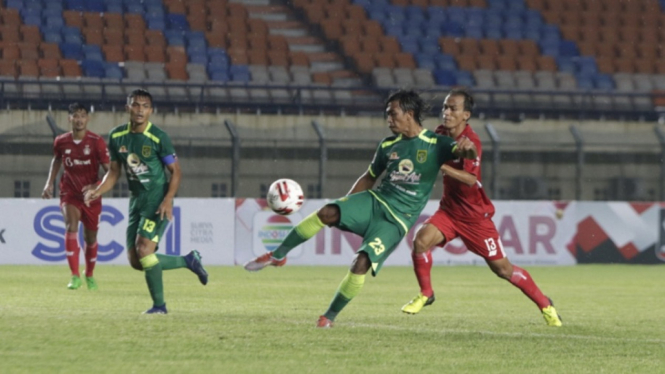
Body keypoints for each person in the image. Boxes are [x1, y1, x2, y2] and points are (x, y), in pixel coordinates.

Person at [244, 90, 478, 328]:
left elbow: (464, 152)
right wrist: (346, 205)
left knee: (361, 263)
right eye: (387, 114)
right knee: (327, 212)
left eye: (392, 114)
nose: (388, 119)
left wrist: (468, 150)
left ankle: (328, 317)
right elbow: (369, 177)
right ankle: (277, 256)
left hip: (396, 221)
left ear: (409, 114)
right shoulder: (388, 145)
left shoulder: (436, 143)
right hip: (375, 201)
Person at [400, 88, 562, 327]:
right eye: (445, 107)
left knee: (503, 270)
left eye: (452, 108)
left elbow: (469, 179)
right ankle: (426, 293)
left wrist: (439, 167)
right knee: (420, 241)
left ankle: (545, 305)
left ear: (465, 115)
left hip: (476, 218)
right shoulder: (441, 132)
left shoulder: (472, 141)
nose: (446, 112)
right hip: (449, 212)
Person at [83, 89, 208, 314]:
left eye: (145, 106)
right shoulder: (116, 136)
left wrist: (168, 200)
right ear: (127, 107)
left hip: (156, 199)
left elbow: (176, 171)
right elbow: (113, 172)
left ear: (151, 110)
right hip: (136, 201)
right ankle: (188, 261)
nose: (140, 110)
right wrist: (98, 191)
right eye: (135, 105)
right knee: (136, 261)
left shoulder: (159, 137)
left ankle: (159, 307)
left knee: (144, 249)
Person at [42, 103, 110, 290]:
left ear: (87, 119)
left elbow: (110, 171)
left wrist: (95, 186)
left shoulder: (96, 142)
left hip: (92, 197)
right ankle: (74, 276)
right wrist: (49, 183)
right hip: (69, 193)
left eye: (82, 116)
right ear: (69, 119)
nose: (79, 119)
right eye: (75, 116)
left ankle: (89, 275)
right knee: (71, 226)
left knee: (91, 238)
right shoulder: (61, 141)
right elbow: (56, 159)